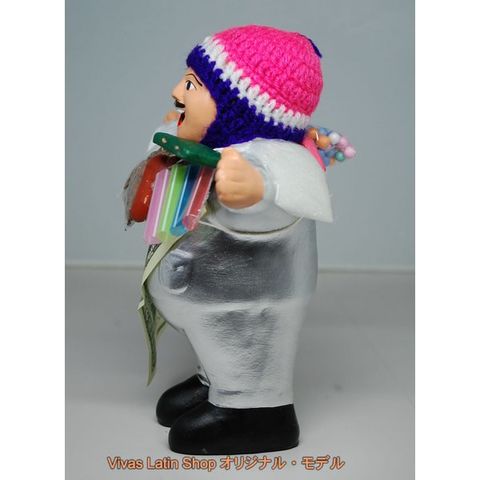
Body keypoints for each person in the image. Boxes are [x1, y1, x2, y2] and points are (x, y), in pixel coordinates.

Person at [134, 25, 333, 454]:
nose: (176, 91)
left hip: (251, 304)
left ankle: (256, 410)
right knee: (219, 348)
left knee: (247, 348)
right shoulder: (210, 146)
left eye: (192, 85)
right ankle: (216, 382)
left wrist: (258, 189)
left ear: (235, 108)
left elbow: (286, 193)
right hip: (215, 301)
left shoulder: (270, 162)